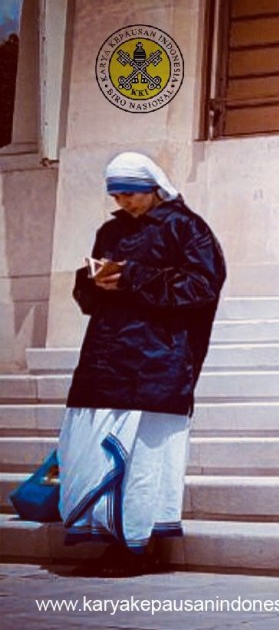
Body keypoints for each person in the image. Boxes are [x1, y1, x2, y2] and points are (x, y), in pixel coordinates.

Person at [59, 152, 226, 576]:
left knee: (145, 463)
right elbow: (89, 297)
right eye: (116, 196)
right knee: (96, 455)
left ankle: (138, 547)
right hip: (106, 357)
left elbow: (203, 286)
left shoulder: (187, 228)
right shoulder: (110, 231)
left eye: (130, 194)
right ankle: (111, 542)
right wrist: (92, 281)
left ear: (153, 188)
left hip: (157, 360)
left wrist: (134, 277)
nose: (124, 202)